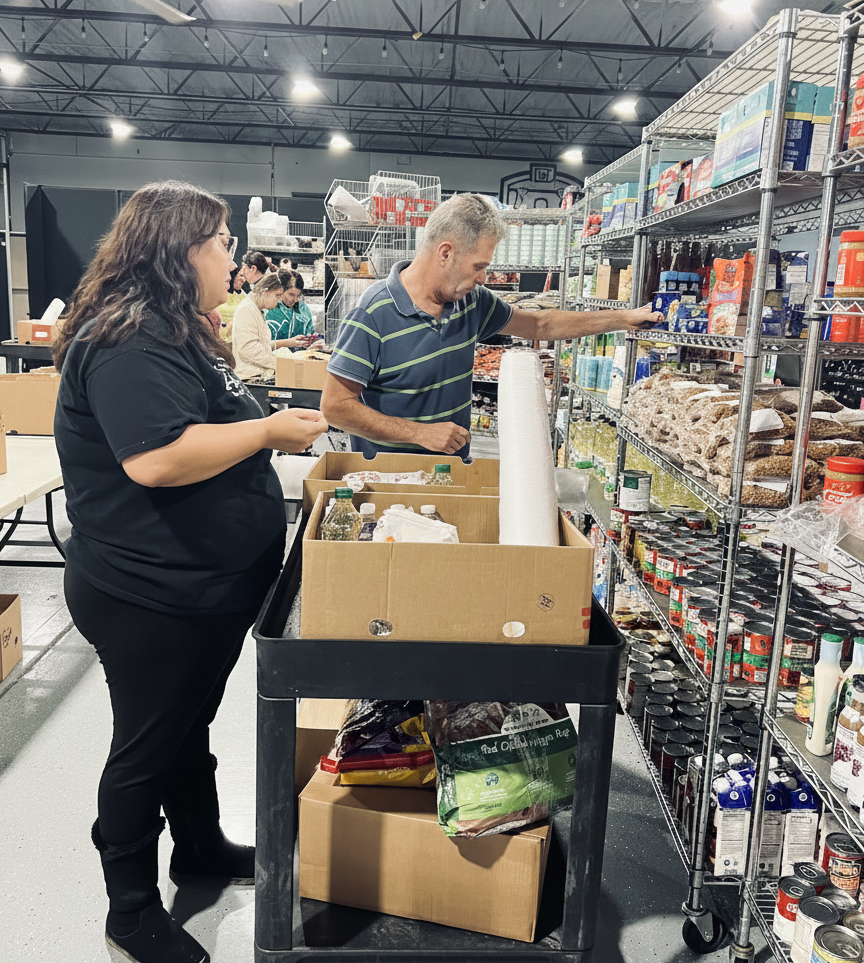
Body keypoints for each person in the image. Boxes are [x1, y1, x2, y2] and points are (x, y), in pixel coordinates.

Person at [52, 180, 328, 963]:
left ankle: (199, 844)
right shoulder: (127, 338)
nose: (233, 259)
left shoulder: (175, 327)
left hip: (198, 589)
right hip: (149, 594)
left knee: (185, 724)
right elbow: (157, 457)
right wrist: (268, 432)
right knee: (144, 746)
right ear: (178, 250)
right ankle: (130, 908)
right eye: (222, 243)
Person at [321, 193, 661, 458]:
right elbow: (335, 407)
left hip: (453, 475)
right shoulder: (372, 313)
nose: (483, 278)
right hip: (389, 484)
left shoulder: (472, 302)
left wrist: (623, 318)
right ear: (445, 253)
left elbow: (540, 324)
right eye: (478, 266)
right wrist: (419, 433)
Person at [232, 273, 298, 382]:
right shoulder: (246, 310)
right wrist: (281, 364)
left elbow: (261, 344)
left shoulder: (255, 309)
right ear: (265, 291)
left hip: (258, 376)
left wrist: (288, 344)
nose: (278, 301)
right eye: (277, 295)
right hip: (249, 378)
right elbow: (248, 349)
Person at [265, 269, 321, 350]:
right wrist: (287, 343)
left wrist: (311, 342)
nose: (295, 299)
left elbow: (309, 333)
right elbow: (256, 346)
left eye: (299, 295)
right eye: (291, 295)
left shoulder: (303, 310)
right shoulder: (267, 309)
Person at [218, 267, 247, 341]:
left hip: (238, 336)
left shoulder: (243, 295)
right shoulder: (218, 292)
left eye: (245, 277)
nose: (243, 280)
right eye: (241, 276)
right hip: (218, 333)